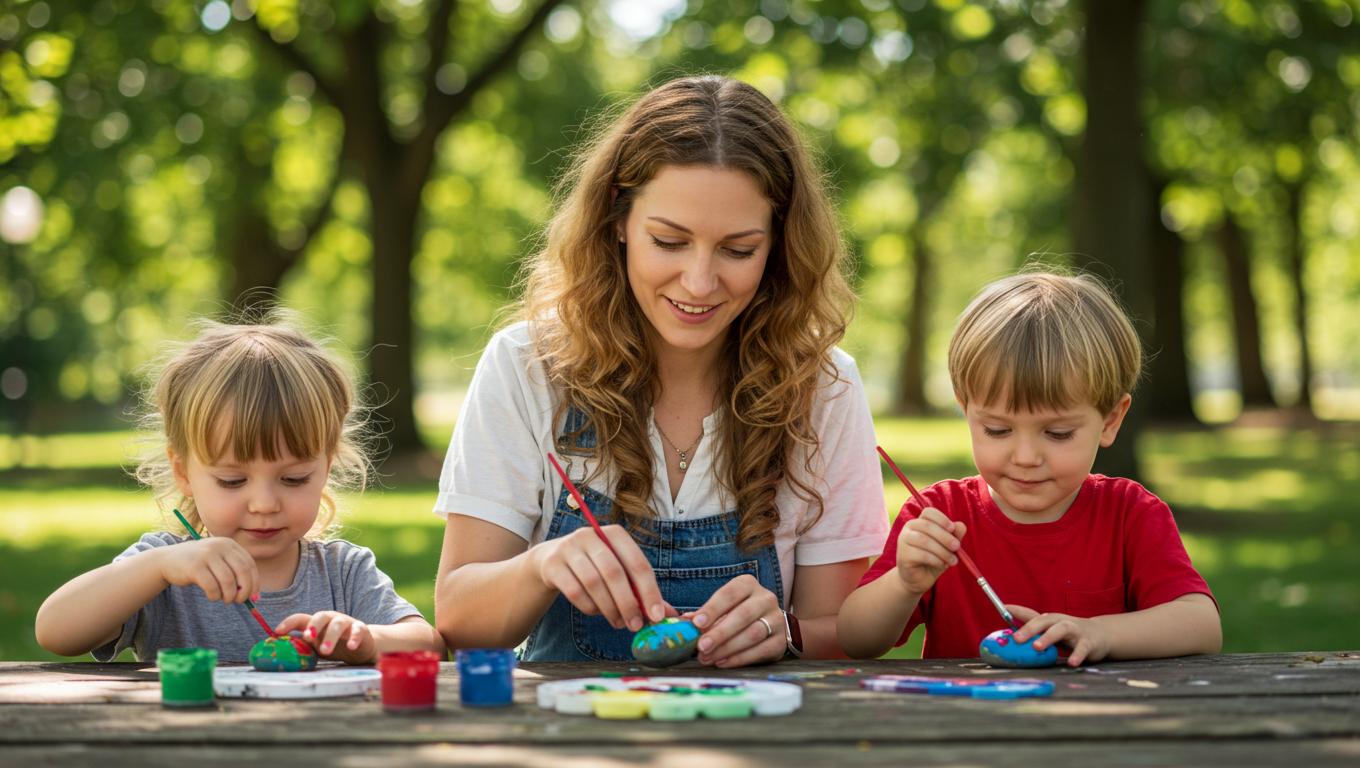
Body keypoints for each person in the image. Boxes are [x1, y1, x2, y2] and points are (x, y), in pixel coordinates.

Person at [433, 76, 890, 667]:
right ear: (617, 218)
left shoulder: (823, 388)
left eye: (738, 250)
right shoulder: (528, 367)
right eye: (669, 241)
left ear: (778, 244)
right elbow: (461, 625)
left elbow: (846, 635)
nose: (699, 282)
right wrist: (541, 566)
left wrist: (787, 631)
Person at [838, 271, 1222, 665]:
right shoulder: (938, 515)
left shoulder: (1129, 514)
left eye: (1057, 433)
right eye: (997, 430)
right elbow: (854, 639)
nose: (1025, 457)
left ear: (1110, 421)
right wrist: (903, 584)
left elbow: (1203, 625)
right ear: (966, 411)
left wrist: (1102, 633)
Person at [35, 314, 444, 663]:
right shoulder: (166, 571)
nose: (264, 504)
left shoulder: (342, 571)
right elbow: (54, 631)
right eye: (232, 481)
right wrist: (157, 568)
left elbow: (430, 645)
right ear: (183, 472)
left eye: (294, 478)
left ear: (327, 467)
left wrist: (367, 640)